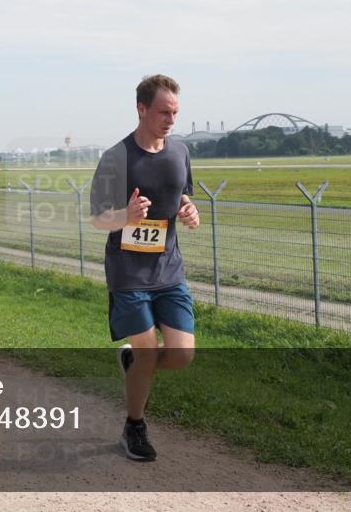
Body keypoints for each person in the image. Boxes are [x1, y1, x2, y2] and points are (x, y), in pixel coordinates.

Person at [89, 74, 200, 462]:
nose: (171, 120)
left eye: (175, 113)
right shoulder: (116, 158)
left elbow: (183, 194)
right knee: (150, 354)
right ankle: (134, 425)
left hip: (169, 270)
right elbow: (98, 219)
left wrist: (189, 209)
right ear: (141, 109)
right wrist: (127, 215)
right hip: (128, 272)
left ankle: (132, 362)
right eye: (163, 112)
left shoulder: (180, 152)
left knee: (183, 355)